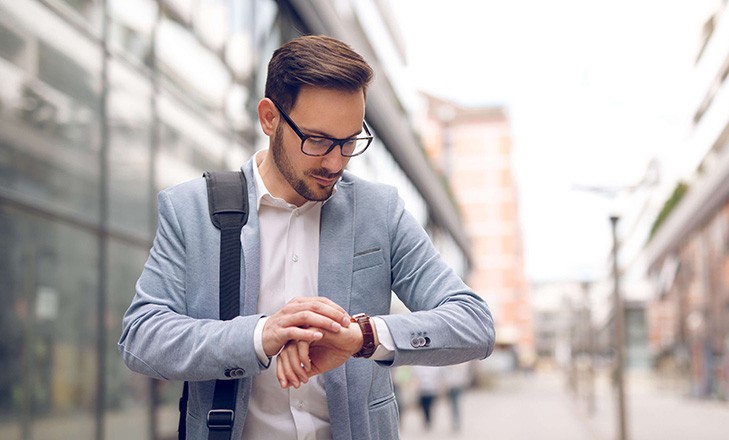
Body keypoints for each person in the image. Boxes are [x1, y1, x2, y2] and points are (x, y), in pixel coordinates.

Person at [119, 34, 495, 440]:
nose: (335, 162)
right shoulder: (190, 209)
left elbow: (473, 323)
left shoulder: (379, 211)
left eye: (349, 142)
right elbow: (143, 335)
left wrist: (363, 337)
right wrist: (261, 335)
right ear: (269, 118)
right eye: (316, 140)